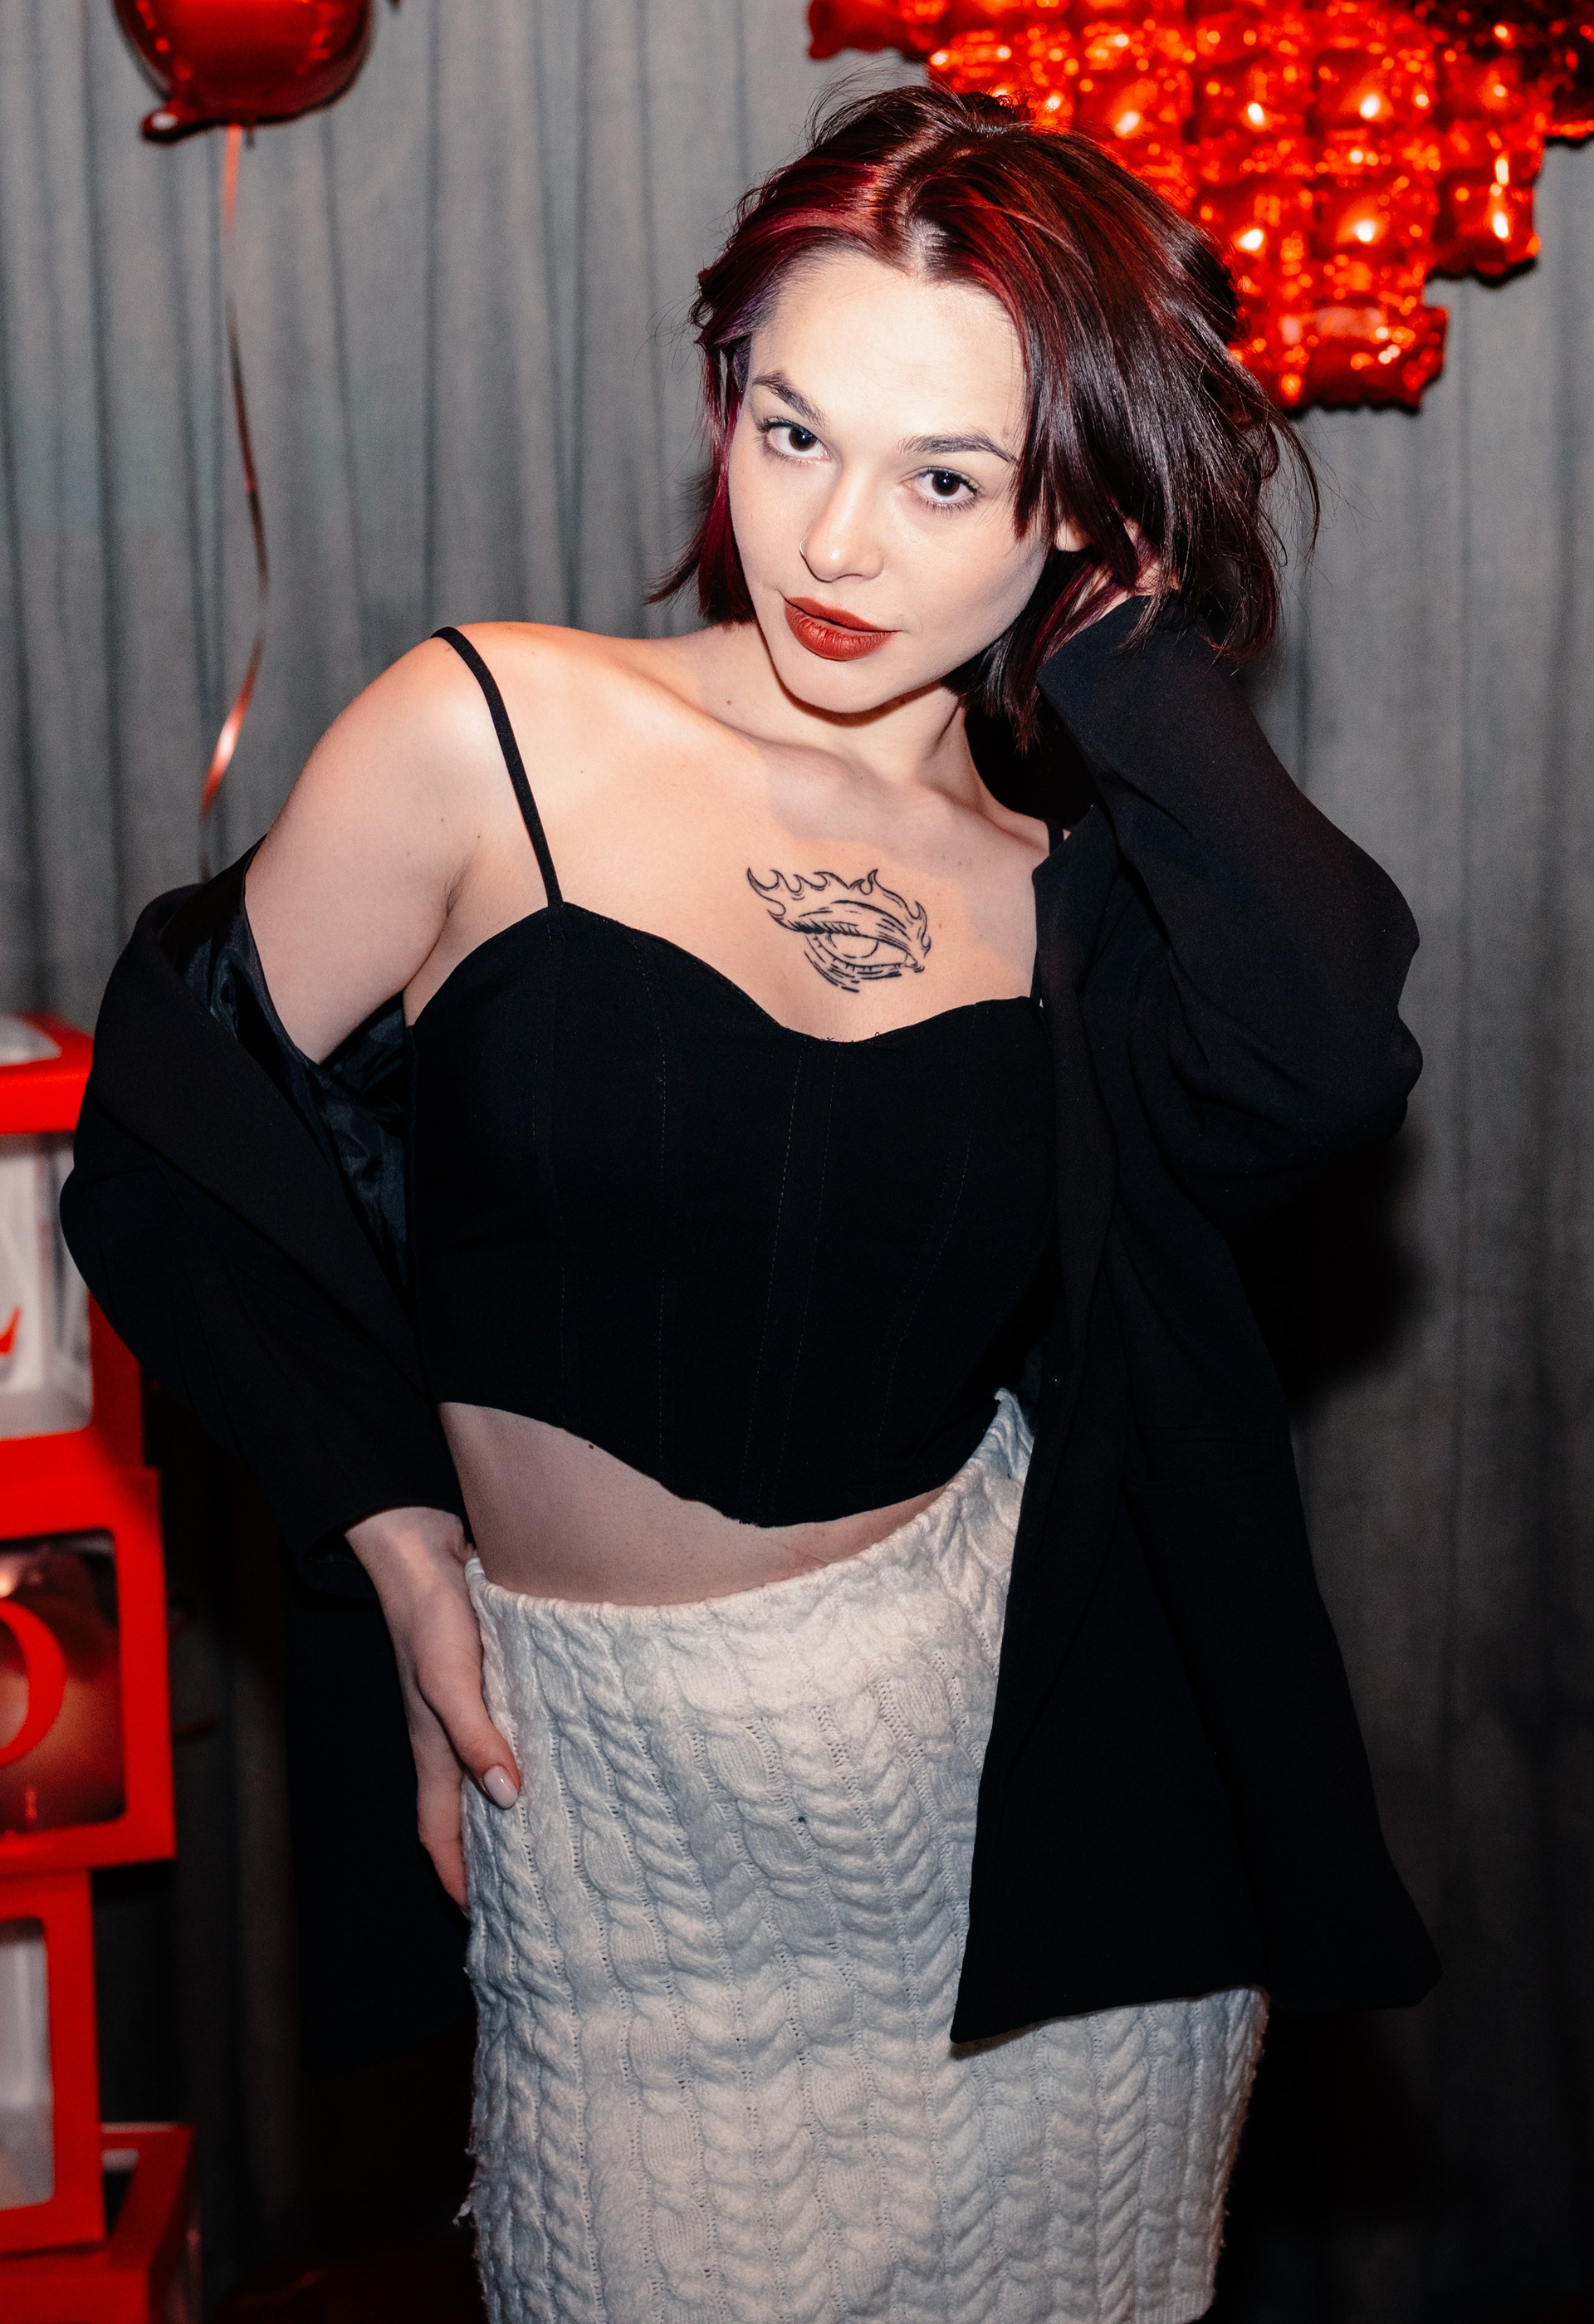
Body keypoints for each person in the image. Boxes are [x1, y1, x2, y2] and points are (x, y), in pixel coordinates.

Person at [63, 84, 1438, 2324]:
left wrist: (1116, 640)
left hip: (1044, 1872)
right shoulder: (491, 732)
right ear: (727, 397)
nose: (838, 542)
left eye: (949, 478)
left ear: (1077, 508)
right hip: (622, 1863)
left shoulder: (1073, 898)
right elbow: (170, 1148)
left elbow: (1324, 1054)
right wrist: (392, 1542)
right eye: (793, 432)